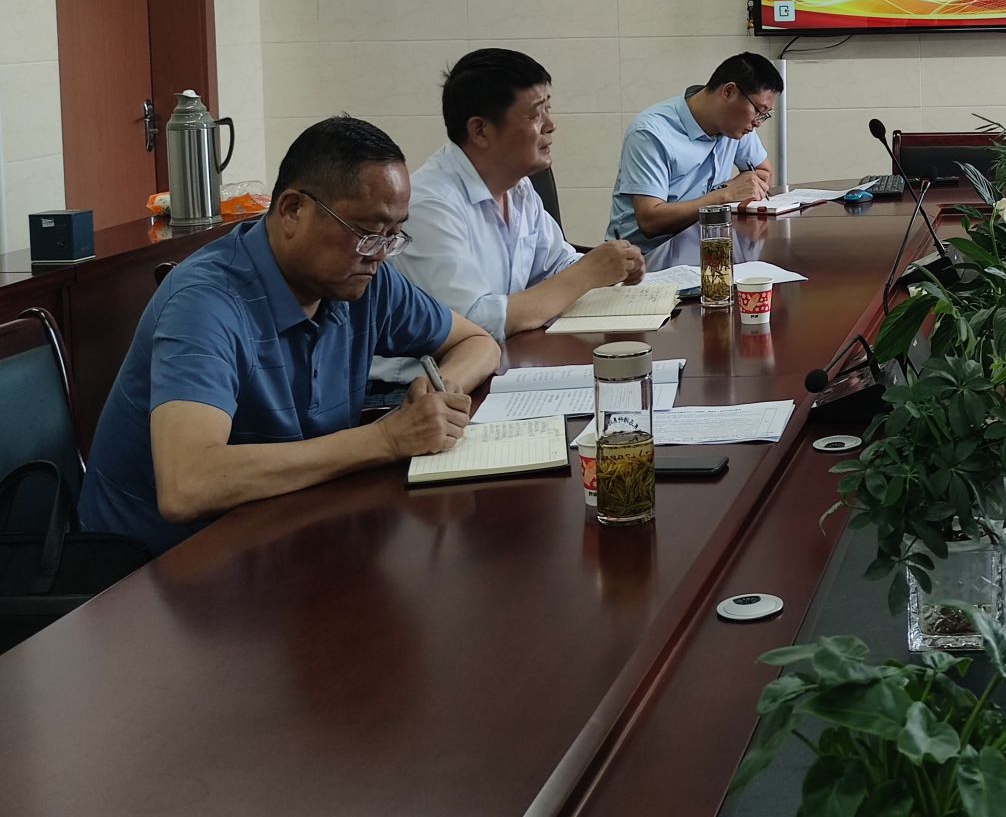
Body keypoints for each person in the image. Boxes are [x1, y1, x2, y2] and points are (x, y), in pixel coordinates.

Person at [79, 116, 500, 555]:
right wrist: (388, 438)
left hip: (282, 525)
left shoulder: (365, 280)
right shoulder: (205, 303)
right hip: (156, 565)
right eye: (367, 233)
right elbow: (188, 485)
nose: (379, 255)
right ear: (293, 210)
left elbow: (477, 343)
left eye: (393, 235)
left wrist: (440, 392)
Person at [367, 48, 645, 393]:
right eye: (535, 114)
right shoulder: (429, 204)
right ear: (481, 131)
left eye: (548, 109)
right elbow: (475, 323)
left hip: (503, 364)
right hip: (416, 390)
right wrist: (588, 272)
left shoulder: (519, 188)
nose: (550, 125)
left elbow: (557, 266)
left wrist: (612, 267)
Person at [608, 53, 782, 248]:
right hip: (646, 256)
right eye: (758, 110)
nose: (758, 123)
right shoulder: (651, 133)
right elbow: (650, 221)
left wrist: (732, 189)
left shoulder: (735, 126)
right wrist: (725, 195)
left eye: (764, 115)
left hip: (705, 246)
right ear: (729, 92)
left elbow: (763, 172)